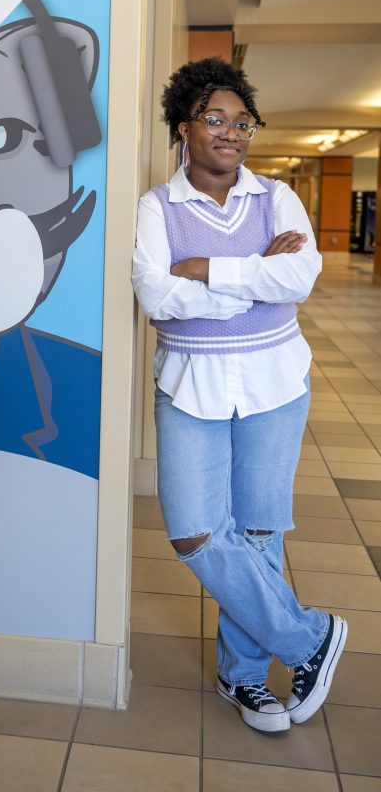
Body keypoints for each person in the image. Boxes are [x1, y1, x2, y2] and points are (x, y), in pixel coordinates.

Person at [132, 57, 347, 733]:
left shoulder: (276, 197)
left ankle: (244, 678)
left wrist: (203, 270)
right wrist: (254, 275)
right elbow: (155, 297)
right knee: (195, 531)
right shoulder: (155, 208)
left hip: (273, 385)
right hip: (188, 384)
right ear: (182, 128)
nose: (230, 131)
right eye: (213, 118)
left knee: (256, 534)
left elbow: (299, 279)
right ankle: (309, 637)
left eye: (240, 120)